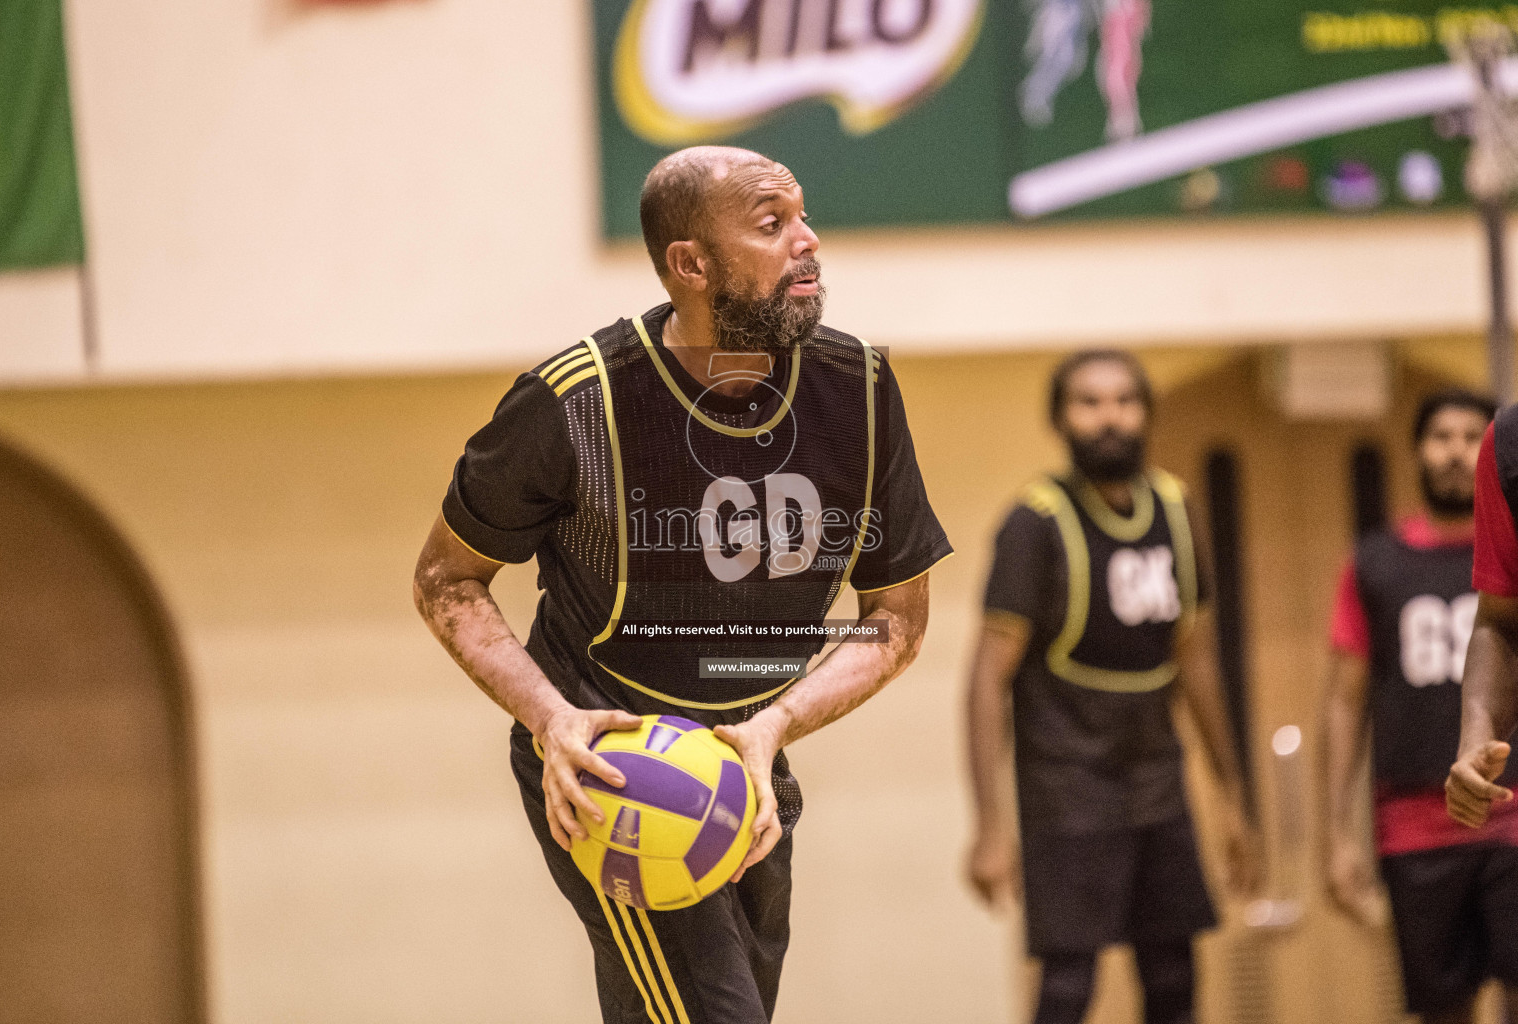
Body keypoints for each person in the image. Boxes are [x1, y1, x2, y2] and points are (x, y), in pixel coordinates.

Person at [412, 146, 951, 1024]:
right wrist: (551, 721)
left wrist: (774, 724)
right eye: (773, 224)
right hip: (615, 761)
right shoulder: (574, 401)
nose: (808, 243)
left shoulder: (860, 389)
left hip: (750, 762)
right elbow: (447, 580)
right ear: (690, 264)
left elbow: (896, 621)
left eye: (804, 216)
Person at [963, 350, 1259, 1024]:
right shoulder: (1033, 523)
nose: (1110, 417)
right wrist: (987, 825)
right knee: (1069, 984)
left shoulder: (1176, 509)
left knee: (1174, 975)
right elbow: (985, 683)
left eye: (1124, 400)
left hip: (1157, 778)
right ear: (1060, 419)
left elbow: (1198, 663)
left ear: (1145, 413)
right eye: (1089, 402)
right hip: (1067, 787)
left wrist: (1233, 796)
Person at [1324, 389, 1512, 1024]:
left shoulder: (1511, 551)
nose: (1456, 452)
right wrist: (1335, 835)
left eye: (1469, 437)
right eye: (1440, 437)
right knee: (1441, 1010)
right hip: (1415, 824)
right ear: (1417, 451)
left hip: (1515, 816)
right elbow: (1344, 703)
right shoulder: (1375, 563)